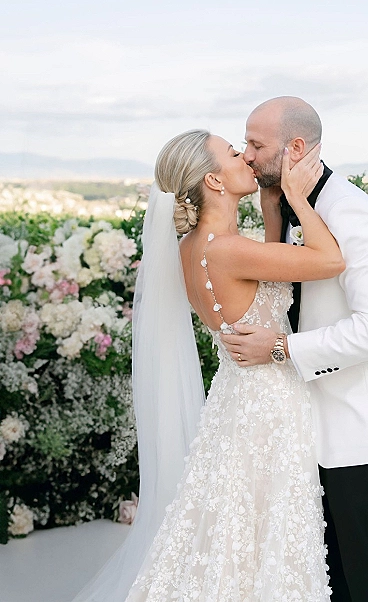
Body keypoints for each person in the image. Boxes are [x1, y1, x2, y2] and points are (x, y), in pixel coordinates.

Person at [74, 128, 343, 602]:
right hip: (270, 404)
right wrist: (299, 198)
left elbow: (266, 262)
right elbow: (330, 260)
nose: (244, 156)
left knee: (234, 526)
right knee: (266, 528)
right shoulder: (228, 249)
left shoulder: (194, 246)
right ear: (215, 181)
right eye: (233, 153)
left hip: (235, 397)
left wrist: (271, 205)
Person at [221, 97, 368, 602]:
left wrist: (283, 348)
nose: (246, 155)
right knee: (330, 572)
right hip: (313, 422)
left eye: (256, 144)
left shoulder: (349, 211)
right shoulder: (291, 205)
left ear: (295, 148)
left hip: (361, 423)